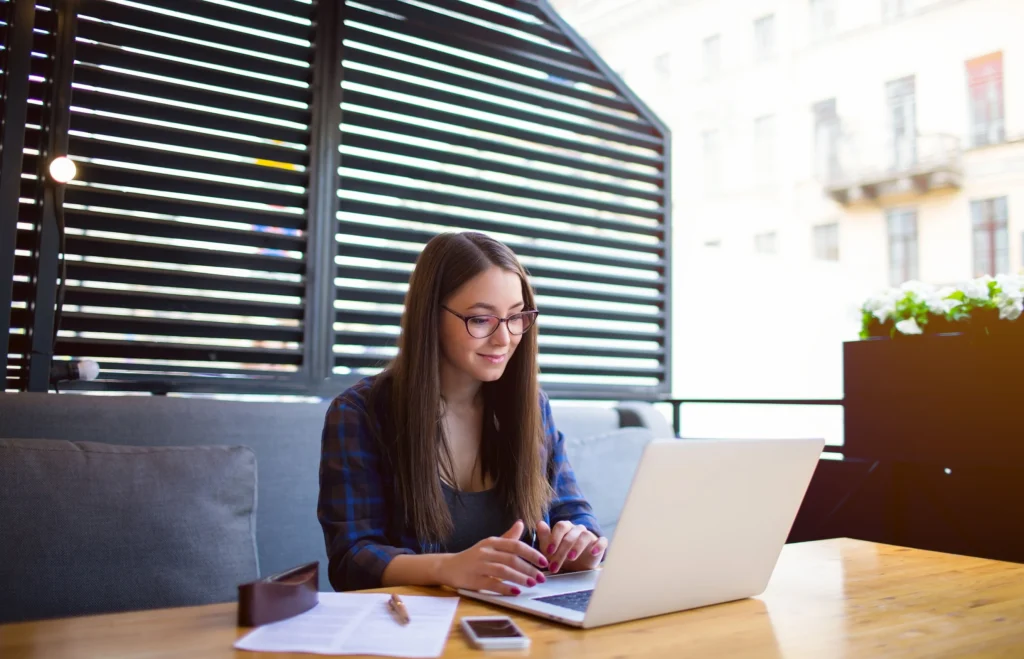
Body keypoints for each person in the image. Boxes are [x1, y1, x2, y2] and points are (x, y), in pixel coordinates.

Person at [317, 231, 606, 595]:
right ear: (431, 317)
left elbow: (571, 511)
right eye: (482, 320)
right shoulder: (360, 413)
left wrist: (581, 543)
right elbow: (351, 559)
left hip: (526, 623)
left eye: (517, 317)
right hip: (416, 633)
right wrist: (448, 567)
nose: (505, 338)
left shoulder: (531, 405)